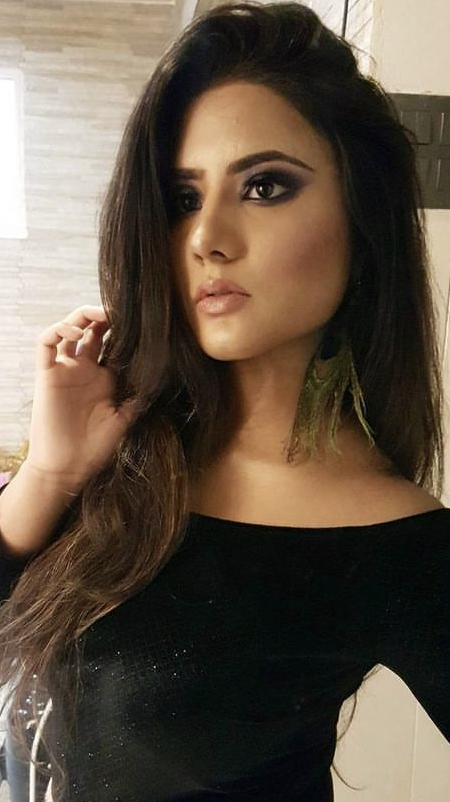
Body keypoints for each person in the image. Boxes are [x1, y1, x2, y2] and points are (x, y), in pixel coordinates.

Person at [0, 2, 449, 800]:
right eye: (182, 199)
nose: (206, 236)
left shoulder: (393, 545)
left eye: (265, 186)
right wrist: (51, 474)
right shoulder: (122, 452)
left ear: (362, 215)